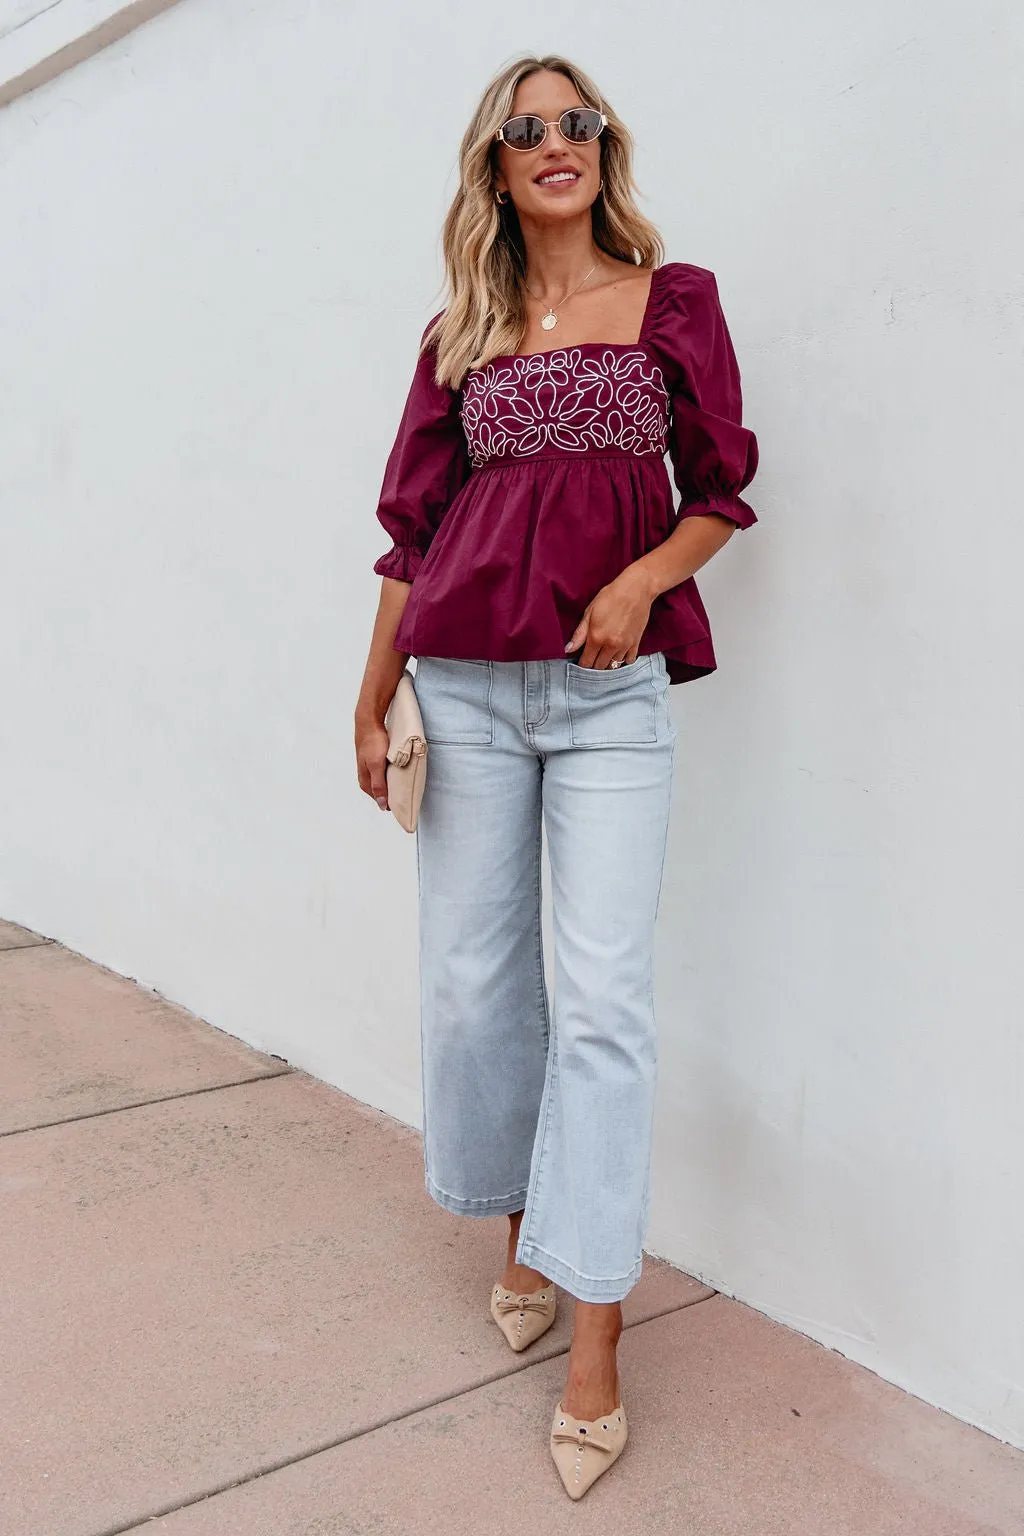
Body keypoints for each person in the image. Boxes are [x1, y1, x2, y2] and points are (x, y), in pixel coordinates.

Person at [354, 52, 759, 1499]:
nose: (554, 142)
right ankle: (516, 1229)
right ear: (495, 163)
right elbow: (411, 537)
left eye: (574, 120)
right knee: (474, 988)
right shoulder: (457, 331)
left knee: (601, 1004)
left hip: (605, 700)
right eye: (524, 128)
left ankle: (595, 1341)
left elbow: (720, 492)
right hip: (461, 691)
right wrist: (371, 690)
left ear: (605, 146)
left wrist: (644, 580)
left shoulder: (672, 303)